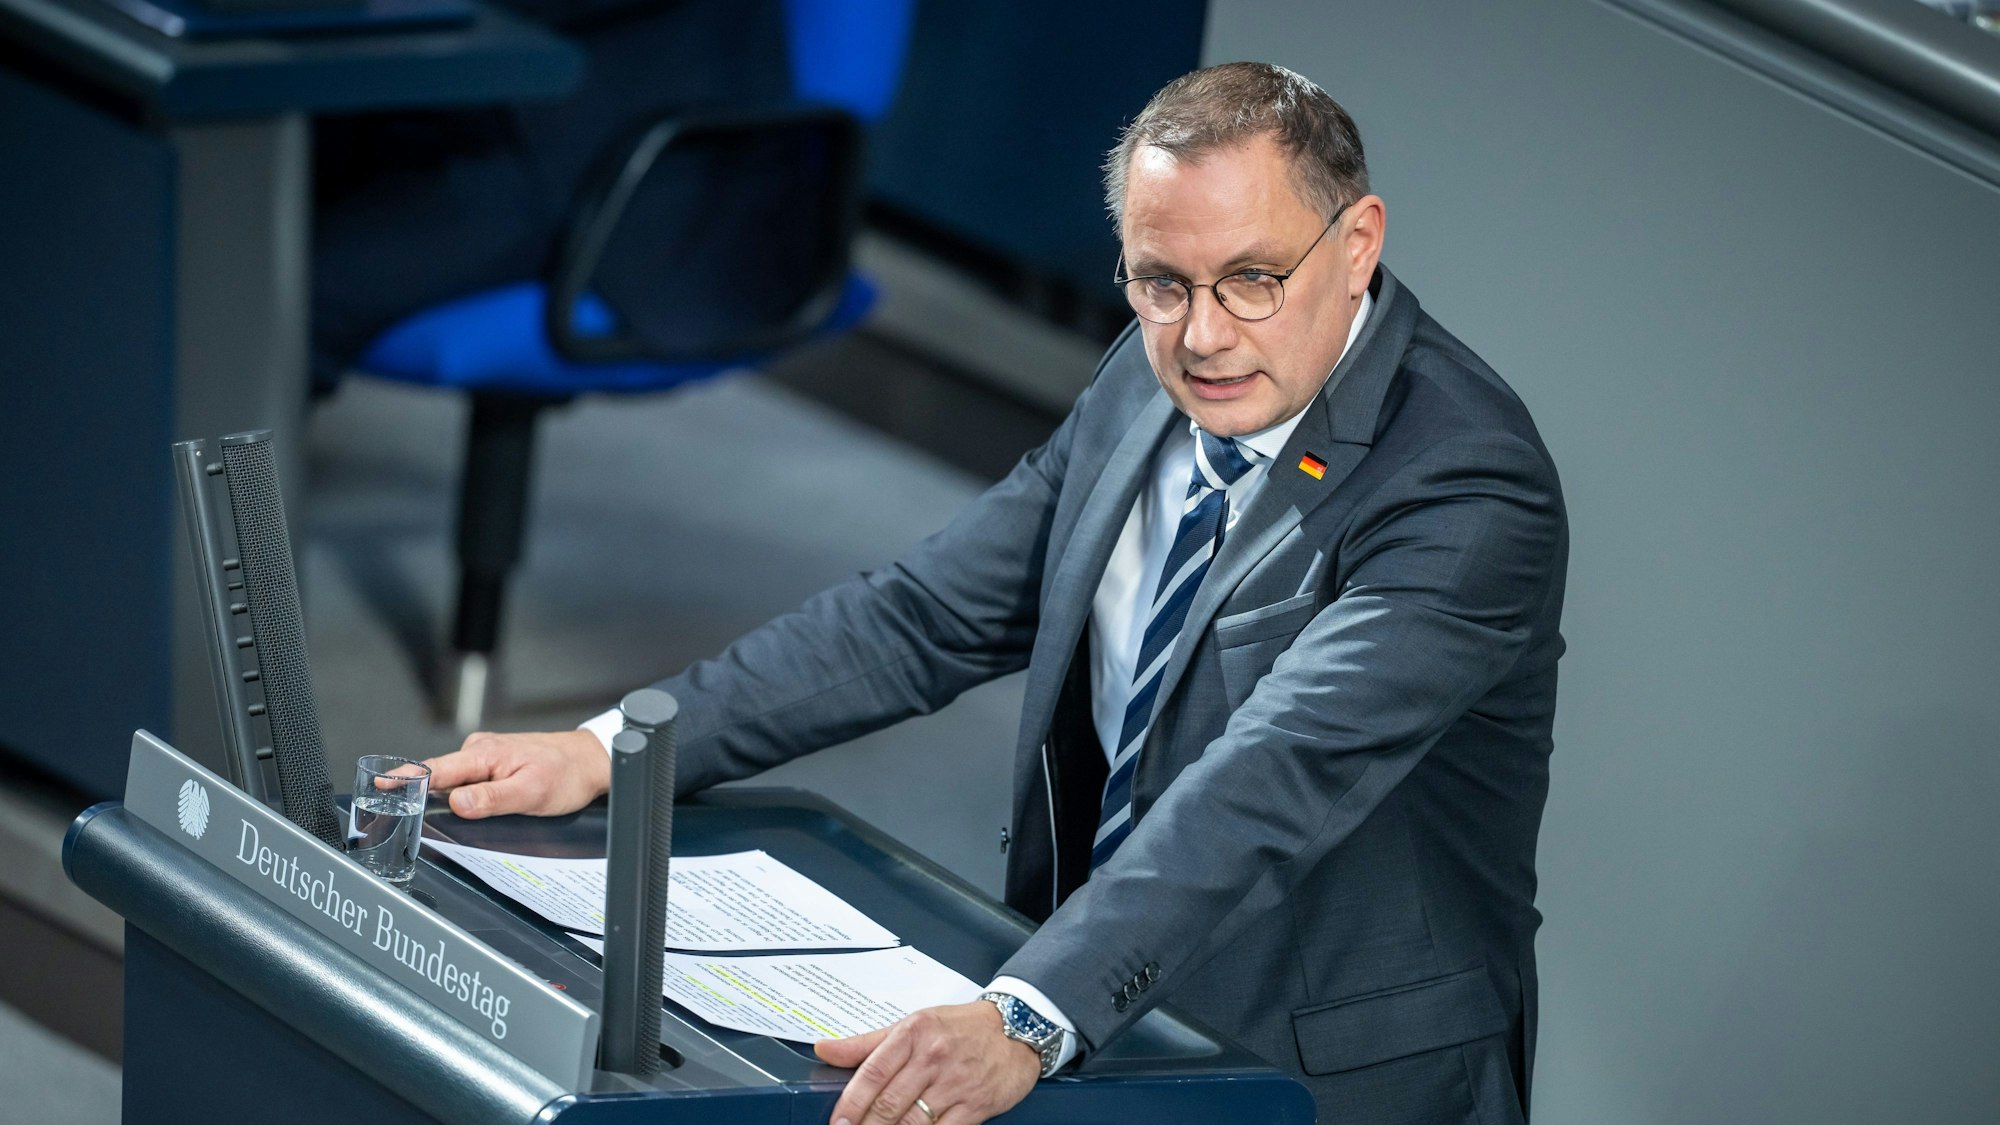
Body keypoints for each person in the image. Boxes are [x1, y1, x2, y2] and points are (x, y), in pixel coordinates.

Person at [426, 61, 1569, 1125]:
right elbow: (924, 615)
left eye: (1253, 280)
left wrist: (1030, 1012)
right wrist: (612, 748)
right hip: (1103, 1009)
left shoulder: (1464, 484)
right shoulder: (1146, 372)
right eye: (1159, 283)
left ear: (1357, 242)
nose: (1203, 336)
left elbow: (1268, 783)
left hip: (1321, 1071)